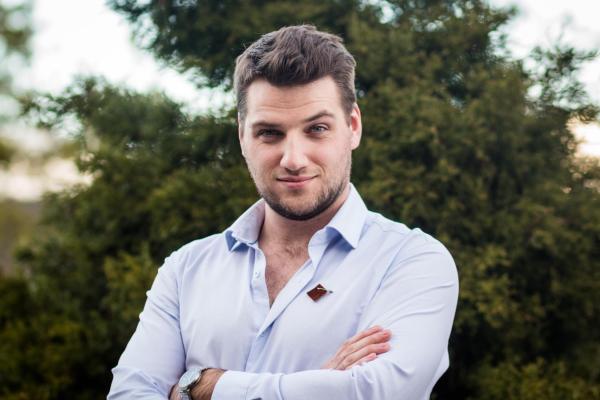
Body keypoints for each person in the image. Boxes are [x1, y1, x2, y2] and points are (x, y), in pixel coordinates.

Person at [108, 25, 458, 400]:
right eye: (270, 133)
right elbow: (130, 394)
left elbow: (377, 393)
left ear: (353, 127)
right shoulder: (186, 270)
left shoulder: (412, 261)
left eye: (317, 129)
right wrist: (318, 385)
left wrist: (202, 386)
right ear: (242, 136)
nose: (293, 159)